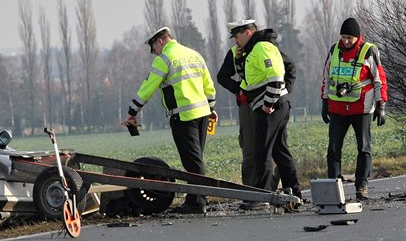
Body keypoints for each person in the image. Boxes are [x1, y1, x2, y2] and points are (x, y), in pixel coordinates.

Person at [122, 27, 218, 214]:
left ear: (159, 42)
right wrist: (211, 108)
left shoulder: (164, 59)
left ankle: (197, 202)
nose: (154, 53)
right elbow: (208, 84)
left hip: (184, 117)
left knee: (192, 162)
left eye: (153, 49)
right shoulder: (194, 54)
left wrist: (132, 111)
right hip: (203, 113)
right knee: (196, 160)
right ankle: (195, 197)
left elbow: (148, 87)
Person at [217, 19, 297, 210]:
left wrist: (270, 102)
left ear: (248, 33)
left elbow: (277, 75)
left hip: (268, 107)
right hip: (264, 104)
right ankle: (292, 192)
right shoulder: (248, 49)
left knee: (263, 151)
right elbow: (232, 77)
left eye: (237, 36)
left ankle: (261, 197)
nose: (235, 41)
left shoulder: (261, 48)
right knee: (279, 150)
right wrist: (240, 91)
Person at [321, 17, 388, 200]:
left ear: (357, 37)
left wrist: (381, 105)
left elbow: (379, 80)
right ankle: (333, 188)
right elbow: (327, 78)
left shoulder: (368, 51)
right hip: (338, 109)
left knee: (363, 148)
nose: (346, 41)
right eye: (343, 37)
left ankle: (362, 186)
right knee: (333, 149)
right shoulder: (335, 50)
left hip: (362, 109)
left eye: (349, 37)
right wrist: (324, 101)